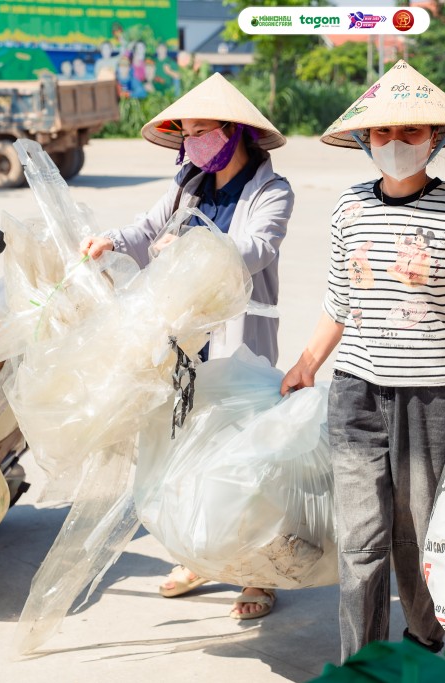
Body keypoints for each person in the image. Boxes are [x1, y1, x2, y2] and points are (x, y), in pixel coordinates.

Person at [280, 60, 445, 661]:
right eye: (383, 134)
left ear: (436, 138)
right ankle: (362, 663)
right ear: (364, 140)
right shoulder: (349, 207)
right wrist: (307, 362)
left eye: (410, 133)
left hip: (434, 397)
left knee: (424, 534)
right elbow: (339, 299)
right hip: (356, 392)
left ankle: (431, 642)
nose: (395, 144)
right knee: (360, 541)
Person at [80, 73, 294, 619]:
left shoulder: (272, 191)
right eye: (188, 132)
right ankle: (201, 557)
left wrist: (198, 246)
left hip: (239, 343)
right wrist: (110, 240)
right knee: (185, 457)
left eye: (204, 130)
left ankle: (256, 577)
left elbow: (256, 249)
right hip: (187, 344)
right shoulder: (187, 183)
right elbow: (145, 230)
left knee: (246, 464)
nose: (194, 141)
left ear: (236, 131)